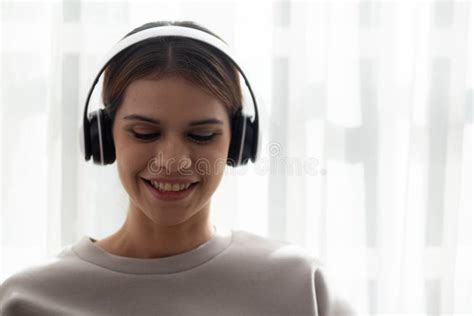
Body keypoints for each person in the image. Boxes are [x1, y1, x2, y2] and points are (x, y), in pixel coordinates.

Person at [0, 21, 355, 315]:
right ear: (103, 137)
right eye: (144, 133)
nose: (172, 161)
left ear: (239, 142)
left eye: (202, 135)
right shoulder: (25, 300)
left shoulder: (301, 286)